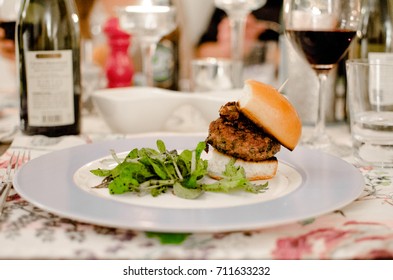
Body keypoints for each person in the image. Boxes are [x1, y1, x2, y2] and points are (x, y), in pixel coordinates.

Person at [195, 0, 282, 59]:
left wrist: (255, 49)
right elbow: (201, 52)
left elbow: (292, 57)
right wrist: (227, 48)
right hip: (229, 78)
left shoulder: (283, 5)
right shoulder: (228, 5)